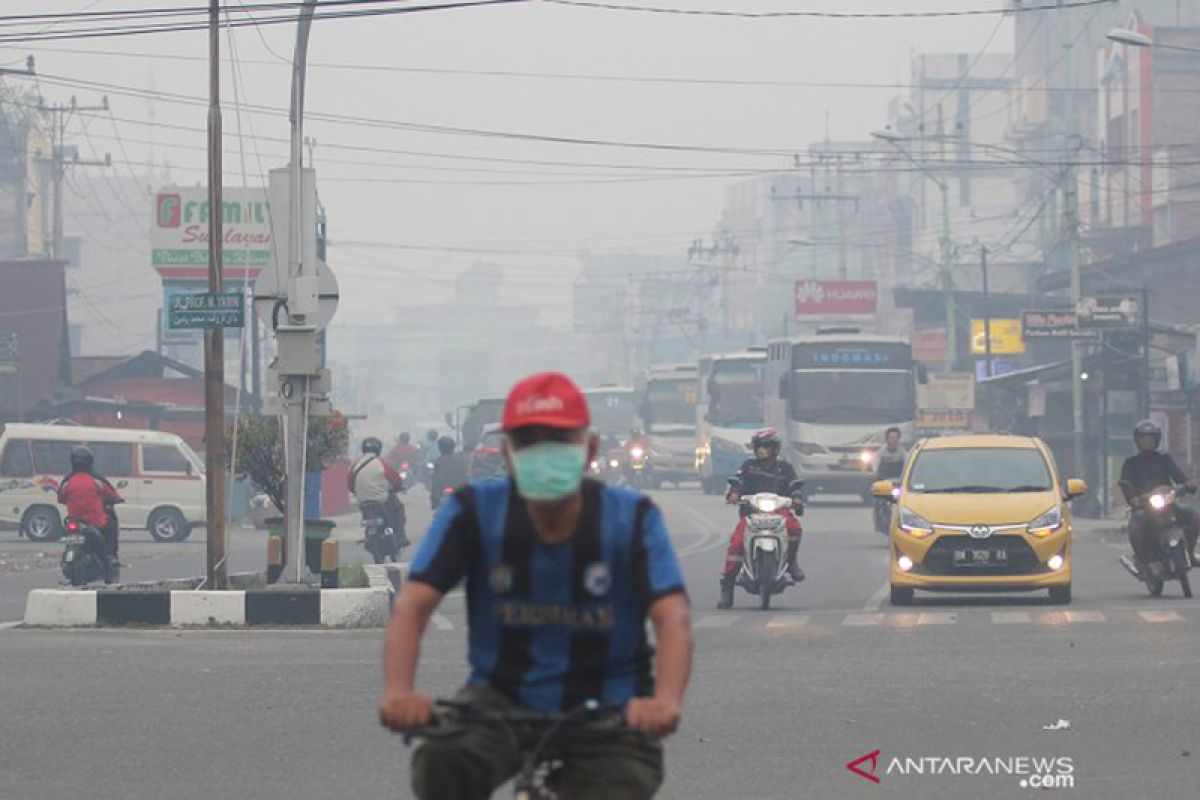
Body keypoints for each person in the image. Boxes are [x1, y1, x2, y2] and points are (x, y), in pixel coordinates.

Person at [379, 372, 693, 800]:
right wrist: (400, 692)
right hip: (499, 701)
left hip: (609, 710)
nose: (543, 452)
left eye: (559, 439)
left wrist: (665, 701)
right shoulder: (472, 512)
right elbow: (413, 606)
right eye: (529, 441)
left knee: (619, 788)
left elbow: (672, 616)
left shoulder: (631, 518)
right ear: (507, 452)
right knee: (441, 763)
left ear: (590, 450)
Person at [718, 428, 803, 609]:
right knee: (736, 544)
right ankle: (727, 584)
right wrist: (734, 493)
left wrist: (796, 499)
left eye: (766, 446)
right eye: (759, 446)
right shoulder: (748, 465)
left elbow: (795, 486)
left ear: (775, 448)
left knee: (795, 529)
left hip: (779, 511)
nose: (762, 450)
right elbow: (738, 482)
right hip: (752, 513)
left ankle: (792, 562)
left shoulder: (785, 468)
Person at [1119, 419, 1199, 569]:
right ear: (1137, 441)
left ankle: (1190, 552)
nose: (1148, 442)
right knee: (1136, 525)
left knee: (1193, 516)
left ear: (1157, 440)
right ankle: (1142, 560)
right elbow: (1125, 484)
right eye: (1144, 439)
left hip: (1168, 503)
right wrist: (1133, 499)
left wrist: (1188, 484)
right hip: (1143, 506)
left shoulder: (1164, 459)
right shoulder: (1131, 463)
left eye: (1151, 438)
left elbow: (1179, 476)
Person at [57, 445, 123, 582]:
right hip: (96, 522)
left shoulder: (67, 481)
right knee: (111, 524)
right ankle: (110, 558)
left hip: (73, 522)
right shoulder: (97, 480)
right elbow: (113, 496)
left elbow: (61, 498)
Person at [348, 437, 408, 546]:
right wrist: (399, 487)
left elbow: (350, 484)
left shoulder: (355, 465)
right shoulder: (382, 463)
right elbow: (396, 480)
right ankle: (401, 536)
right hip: (381, 499)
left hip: (362, 501)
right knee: (399, 507)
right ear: (378, 449)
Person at [428, 436, 467, 510]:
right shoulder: (460, 460)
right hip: (456, 489)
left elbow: (435, 479)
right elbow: (464, 476)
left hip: (442, 489)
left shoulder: (438, 460)